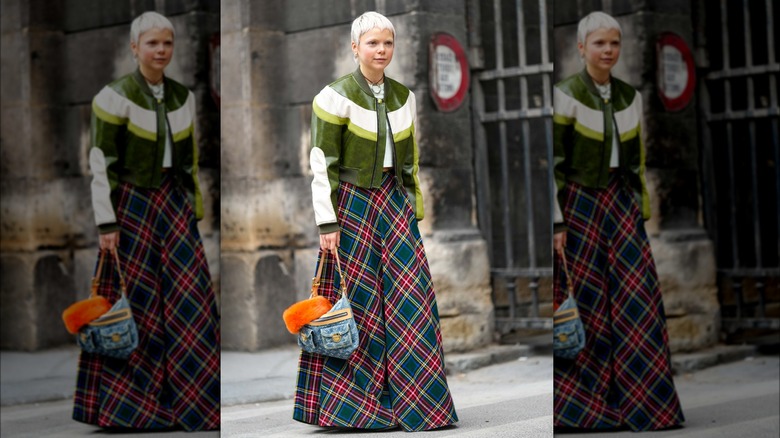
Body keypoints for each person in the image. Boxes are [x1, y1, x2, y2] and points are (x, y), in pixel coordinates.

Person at [294, 11, 459, 432]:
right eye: (372, 43)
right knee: (360, 304)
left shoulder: (406, 96)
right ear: (355, 48)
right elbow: (321, 164)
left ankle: (420, 406)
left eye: (387, 43)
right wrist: (326, 222)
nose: (381, 50)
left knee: (411, 301)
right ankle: (356, 409)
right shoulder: (332, 97)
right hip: (349, 207)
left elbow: (411, 161)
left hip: (393, 203)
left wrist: (412, 207)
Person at [73, 11, 220, 431]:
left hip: (174, 207)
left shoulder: (183, 97)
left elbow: (189, 161)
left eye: (167, 43)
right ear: (134, 47)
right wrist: (106, 223)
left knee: (190, 303)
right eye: (152, 43)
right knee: (136, 305)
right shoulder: (112, 97)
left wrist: (193, 209)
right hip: (131, 207)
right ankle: (133, 408)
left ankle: (191, 403)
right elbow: (101, 164)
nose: (161, 50)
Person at [552, 11, 685, 432]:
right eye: (599, 44)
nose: (608, 51)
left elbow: (638, 162)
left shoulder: (631, 97)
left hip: (622, 206)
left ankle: (646, 406)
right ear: (581, 48)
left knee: (637, 302)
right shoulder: (565, 94)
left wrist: (640, 210)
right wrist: (557, 223)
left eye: (614, 43)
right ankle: (590, 410)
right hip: (579, 206)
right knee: (589, 303)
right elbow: (554, 165)